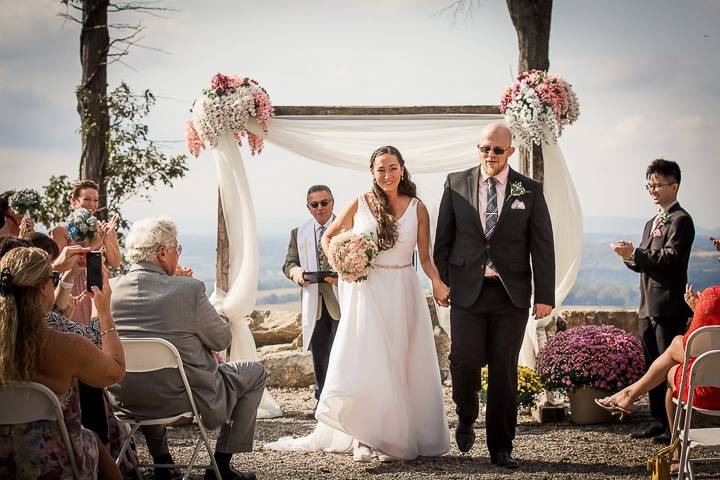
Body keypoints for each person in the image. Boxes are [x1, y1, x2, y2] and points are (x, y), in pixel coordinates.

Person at [266, 146, 451, 462]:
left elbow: (426, 257)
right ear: (372, 173)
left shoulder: (418, 208)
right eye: (380, 169)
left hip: (403, 290)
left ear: (402, 170)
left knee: (400, 360)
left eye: (392, 168)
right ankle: (363, 438)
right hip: (368, 291)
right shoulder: (361, 202)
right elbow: (330, 239)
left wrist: (435, 281)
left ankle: (397, 434)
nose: (387, 175)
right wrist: (344, 264)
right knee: (369, 359)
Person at [434, 122, 555, 469]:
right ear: (479, 148)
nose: (490, 155)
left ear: (510, 152)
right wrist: (441, 281)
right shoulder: (456, 183)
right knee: (464, 360)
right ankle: (467, 413)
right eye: (485, 148)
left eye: (497, 150)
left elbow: (542, 245)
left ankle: (501, 446)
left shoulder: (528, 190)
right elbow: (443, 240)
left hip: (510, 294)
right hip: (466, 291)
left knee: (504, 370)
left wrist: (544, 293)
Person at [107, 216, 266, 480]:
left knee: (146, 375)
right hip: (184, 395)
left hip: (126, 397)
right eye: (176, 249)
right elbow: (222, 340)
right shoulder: (188, 290)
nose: (177, 256)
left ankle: (163, 461)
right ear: (161, 253)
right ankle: (222, 467)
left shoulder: (110, 289)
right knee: (255, 372)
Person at [0, 247, 125, 480]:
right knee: (92, 440)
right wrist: (104, 312)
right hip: (55, 462)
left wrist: (60, 273)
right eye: (52, 279)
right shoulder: (65, 347)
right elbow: (115, 371)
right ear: (43, 288)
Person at [611, 159, 695, 443]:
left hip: (669, 306)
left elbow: (671, 259)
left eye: (658, 184)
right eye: (649, 184)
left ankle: (675, 426)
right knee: (651, 366)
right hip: (647, 305)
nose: (653, 189)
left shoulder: (682, 220)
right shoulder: (651, 222)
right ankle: (657, 421)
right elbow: (645, 261)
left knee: (669, 369)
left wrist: (638, 253)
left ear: (675, 185)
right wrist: (629, 256)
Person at [596, 286, 720, 471]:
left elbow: (693, 343)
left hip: (708, 393)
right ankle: (629, 395)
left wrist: (699, 309)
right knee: (677, 354)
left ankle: (677, 454)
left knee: (675, 358)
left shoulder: (713, 296)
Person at [282, 185, 340, 404]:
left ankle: (344, 400)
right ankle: (322, 401)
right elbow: (289, 263)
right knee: (320, 353)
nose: (320, 208)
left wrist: (342, 277)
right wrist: (297, 273)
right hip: (313, 303)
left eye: (324, 203)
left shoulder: (346, 229)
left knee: (343, 352)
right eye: (314, 204)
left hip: (340, 301)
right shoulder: (299, 233)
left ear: (332, 203)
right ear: (308, 208)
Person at [51, 179, 122, 327]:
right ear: (74, 200)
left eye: (95, 200)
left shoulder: (105, 229)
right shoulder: (60, 231)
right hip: (70, 289)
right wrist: (95, 244)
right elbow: (58, 267)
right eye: (87, 199)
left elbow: (116, 263)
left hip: (97, 288)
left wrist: (106, 239)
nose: (92, 204)